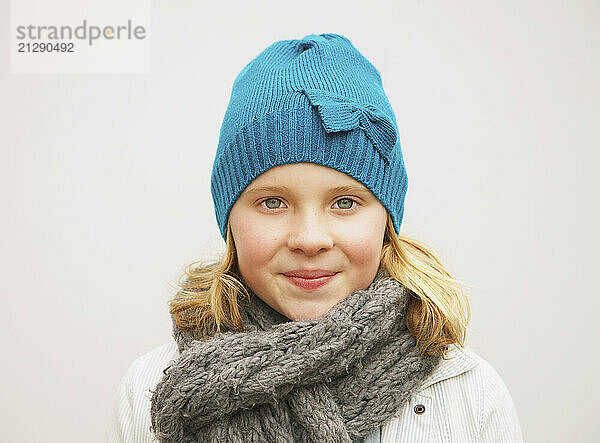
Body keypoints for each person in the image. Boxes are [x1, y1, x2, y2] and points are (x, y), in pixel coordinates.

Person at [106, 33, 523, 442]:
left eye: (344, 203)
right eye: (273, 203)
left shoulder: (468, 395)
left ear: (386, 223)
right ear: (230, 220)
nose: (309, 239)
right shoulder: (147, 391)